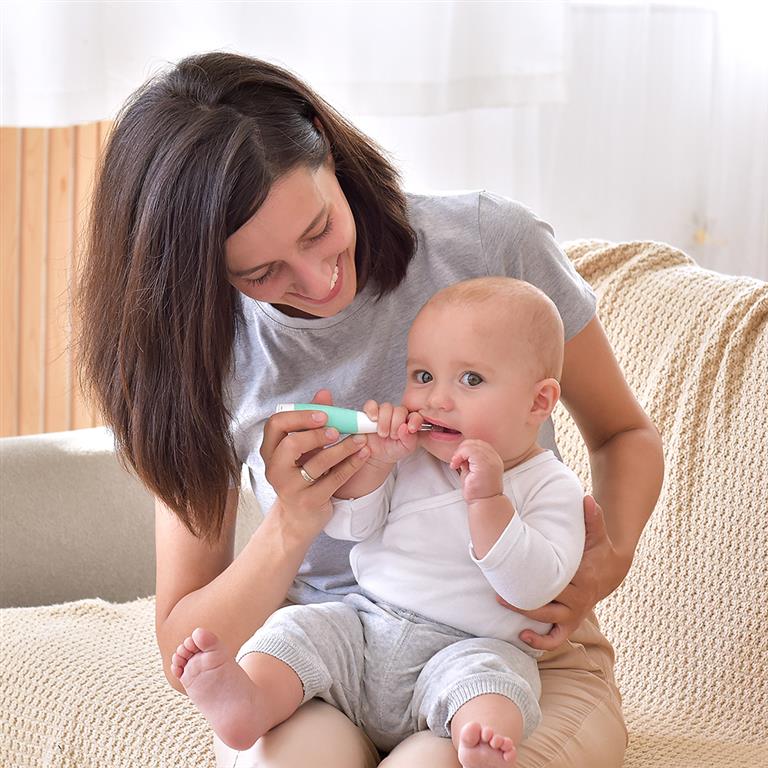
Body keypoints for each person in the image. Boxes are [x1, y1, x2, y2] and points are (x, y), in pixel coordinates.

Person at [76, 52, 664, 768]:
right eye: (262, 273)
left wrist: (609, 559)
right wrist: (293, 520)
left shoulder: (487, 244)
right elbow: (186, 643)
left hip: (507, 661)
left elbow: (624, 432)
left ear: (326, 149)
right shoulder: (201, 354)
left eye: (319, 228)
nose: (318, 281)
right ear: (204, 274)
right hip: (333, 655)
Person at [172, 277, 587, 768]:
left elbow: (533, 588)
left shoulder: (552, 486)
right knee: (296, 630)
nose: (435, 400)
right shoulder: (412, 460)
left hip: (468, 650)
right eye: (423, 376)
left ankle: (479, 744)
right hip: (366, 625)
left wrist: (489, 500)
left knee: (498, 687)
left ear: (538, 402)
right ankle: (252, 701)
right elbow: (353, 528)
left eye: (470, 380)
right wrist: (374, 464)